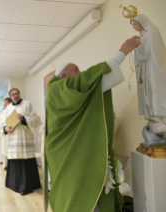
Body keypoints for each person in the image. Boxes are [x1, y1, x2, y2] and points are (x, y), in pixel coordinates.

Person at [44, 36, 140, 212]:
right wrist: (123, 52)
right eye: (76, 70)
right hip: (66, 154)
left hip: (70, 152)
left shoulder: (66, 95)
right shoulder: (56, 88)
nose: (81, 72)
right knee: (75, 195)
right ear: (64, 76)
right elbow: (87, 81)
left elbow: (92, 85)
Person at [2, 88, 41, 196]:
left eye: (17, 93)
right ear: (10, 97)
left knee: (26, 161)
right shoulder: (8, 108)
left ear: (19, 94)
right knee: (15, 161)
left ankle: (27, 186)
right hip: (13, 138)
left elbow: (35, 119)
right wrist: (5, 128)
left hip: (25, 138)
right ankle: (13, 184)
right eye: (13, 94)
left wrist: (24, 118)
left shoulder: (28, 104)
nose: (15, 96)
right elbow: (2, 122)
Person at [0, 97, 12, 168]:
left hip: (13, 133)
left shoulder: (14, 110)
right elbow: (0, 123)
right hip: (6, 133)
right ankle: (6, 165)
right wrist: (4, 128)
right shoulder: (4, 112)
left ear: (10, 102)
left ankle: (11, 165)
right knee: (6, 149)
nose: (4, 105)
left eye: (5, 103)